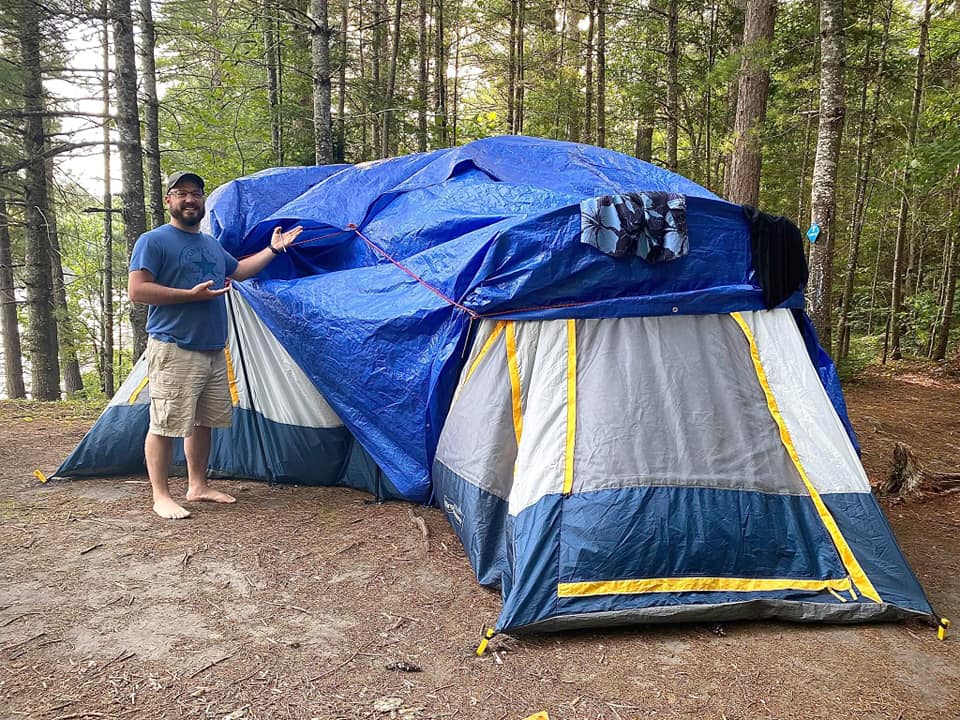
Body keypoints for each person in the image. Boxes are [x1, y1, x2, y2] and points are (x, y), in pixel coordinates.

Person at [128, 171, 303, 519]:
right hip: (174, 346)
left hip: (212, 348)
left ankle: (197, 485)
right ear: (169, 201)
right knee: (165, 422)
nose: (190, 199)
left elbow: (238, 271)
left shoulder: (210, 245)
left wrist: (273, 249)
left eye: (195, 193)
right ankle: (160, 495)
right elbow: (138, 291)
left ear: (203, 200)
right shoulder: (154, 240)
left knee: (202, 421)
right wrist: (187, 296)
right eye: (181, 194)